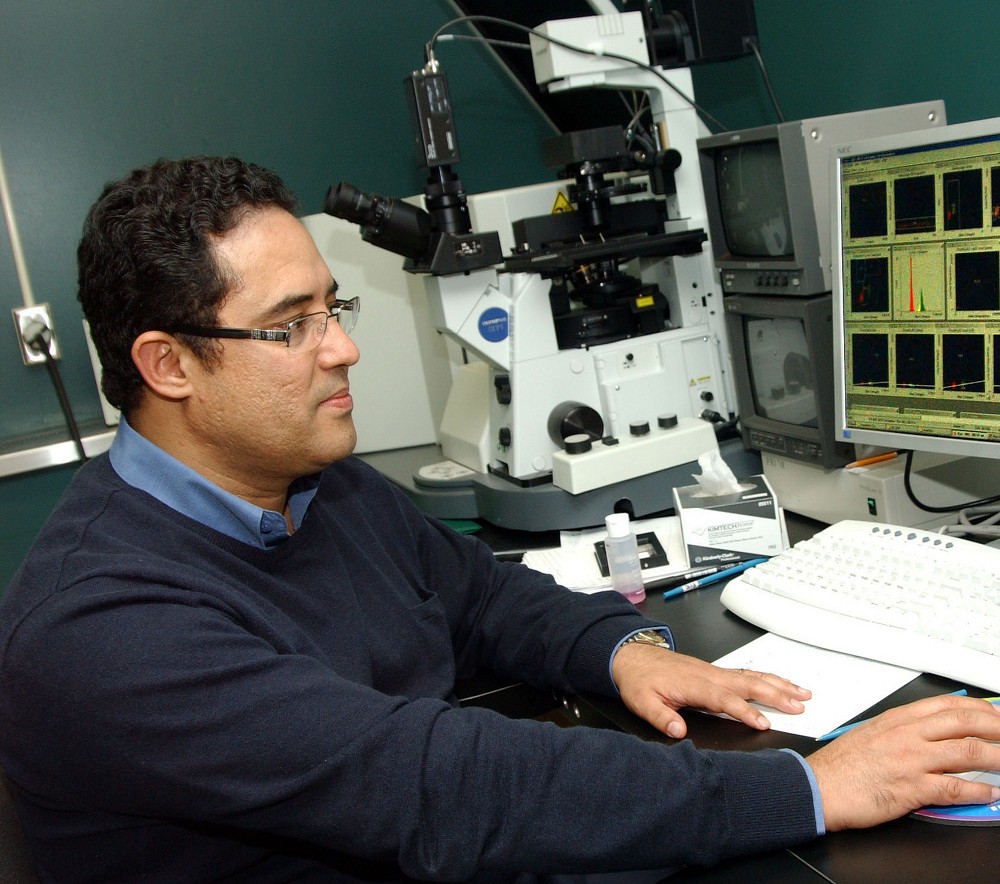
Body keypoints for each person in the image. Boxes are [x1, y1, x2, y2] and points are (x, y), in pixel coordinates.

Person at [2, 156, 999, 884]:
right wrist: (810, 787)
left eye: (332, 305)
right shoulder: (105, 628)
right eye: (290, 325)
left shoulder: (316, 483)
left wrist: (620, 650)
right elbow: (438, 787)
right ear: (167, 364)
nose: (343, 347)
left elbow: (479, 590)